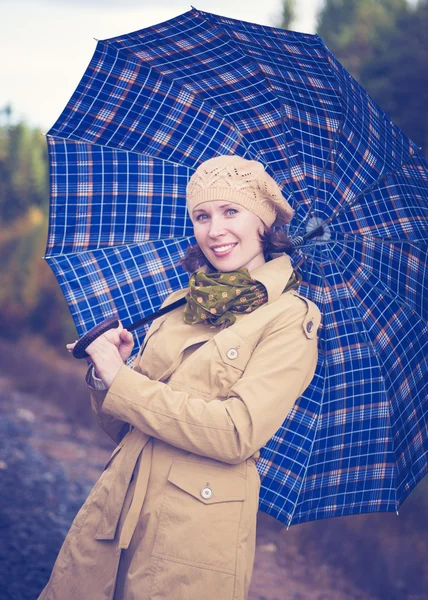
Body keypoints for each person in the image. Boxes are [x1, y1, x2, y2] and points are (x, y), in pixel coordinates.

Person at [38, 155, 321, 600]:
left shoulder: (290, 318)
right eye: (202, 216)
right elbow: (124, 429)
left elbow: (235, 433)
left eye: (231, 212)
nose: (214, 230)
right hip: (115, 511)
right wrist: (106, 373)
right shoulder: (180, 303)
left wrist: (124, 381)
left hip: (192, 537)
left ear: (264, 223)